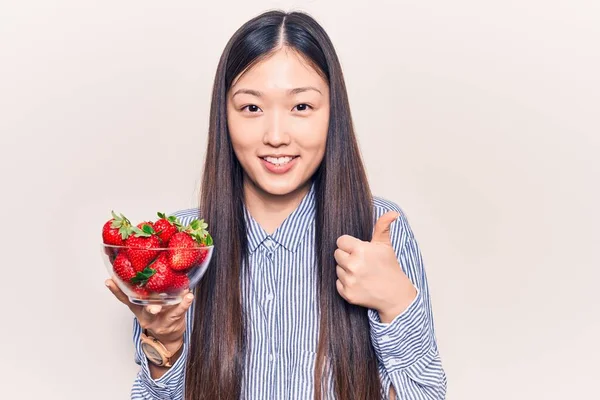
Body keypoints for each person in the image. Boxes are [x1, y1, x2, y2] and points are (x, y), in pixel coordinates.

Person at [106, 9, 447, 400]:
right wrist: (164, 343)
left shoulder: (378, 231)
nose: (276, 135)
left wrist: (396, 303)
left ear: (332, 114)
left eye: (301, 107)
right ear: (225, 116)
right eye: (252, 108)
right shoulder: (184, 246)